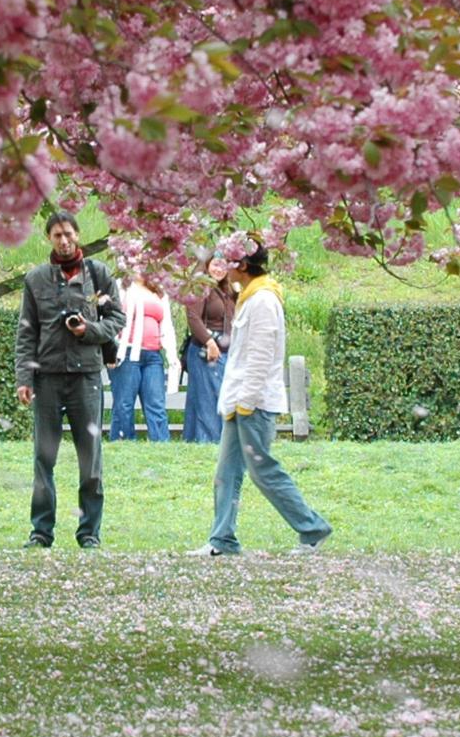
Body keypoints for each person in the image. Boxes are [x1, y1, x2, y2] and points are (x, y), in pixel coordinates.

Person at [199, 238, 332, 556]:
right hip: (240, 401)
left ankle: (312, 528)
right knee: (226, 472)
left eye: (228, 260)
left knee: (263, 470)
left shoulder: (263, 300)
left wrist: (246, 401)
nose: (223, 266)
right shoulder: (248, 296)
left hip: (253, 403)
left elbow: (261, 355)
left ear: (243, 266)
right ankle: (222, 539)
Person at [14, 212, 123, 548]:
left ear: (78, 235)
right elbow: (26, 332)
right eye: (57, 235)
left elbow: (117, 318)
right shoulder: (36, 279)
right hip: (46, 379)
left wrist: (88, 330)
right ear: (49, 238)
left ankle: (89, 532)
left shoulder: (99, 274)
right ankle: (41, 531)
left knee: (90, 459)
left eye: (69, 234)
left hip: (86, 378)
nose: (63, 240)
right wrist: (24, 377)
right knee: (43, 458)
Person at [107, 263, 175, 442]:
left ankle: (161, 444)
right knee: (124, 404)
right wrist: (109, 350)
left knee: (156, 404)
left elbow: (166, 324)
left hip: (153, 355)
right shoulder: (121, 287)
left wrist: (172, 356)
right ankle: (123, 443)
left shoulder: (158, 292)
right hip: (126, 353)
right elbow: (109, 318)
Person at [181, 256, 236, 445]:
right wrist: (209, 342)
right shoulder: (201, 287)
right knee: (209, 400)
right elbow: (192, 316)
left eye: (223, 265)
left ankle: (197, 442)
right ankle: (210, 443)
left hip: (225, 353)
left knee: (214, 398)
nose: (219, 269)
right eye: (215, 264)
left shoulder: (227, 290)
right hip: (206, 353)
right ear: (207, 265)